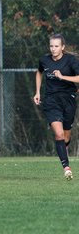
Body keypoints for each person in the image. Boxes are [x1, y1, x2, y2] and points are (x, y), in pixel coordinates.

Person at [33, 34, 79, 180]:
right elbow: (39, 72)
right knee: (58, 134)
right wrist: (38, 92)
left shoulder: (70, 60)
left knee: (66, 136)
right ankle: (66, 167)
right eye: (51, 46)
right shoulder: (44, 60)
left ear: (63, 47)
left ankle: (63, 150)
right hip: (51, 101)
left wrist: (62, 77)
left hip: (69, 100)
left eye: (56, 46)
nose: (53, 49)